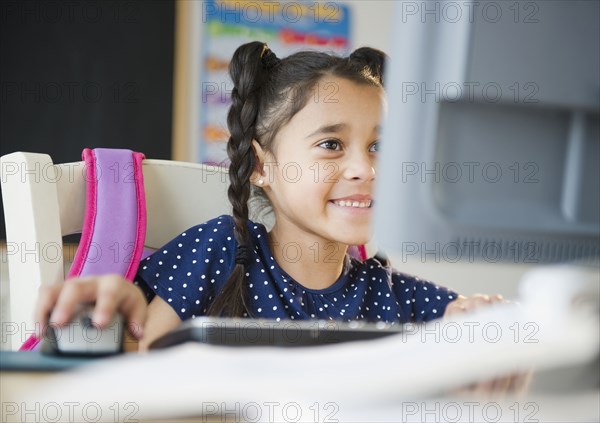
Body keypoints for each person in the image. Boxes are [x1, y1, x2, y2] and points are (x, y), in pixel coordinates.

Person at [35, 41, 506, 353]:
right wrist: (111, 324)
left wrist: (488, 317)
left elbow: (488, 325)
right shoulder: (218, 250)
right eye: (331, 145)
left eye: (380, 146)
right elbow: (142, 369)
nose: (367, 169)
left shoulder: (392, 292)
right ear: (262, 166)